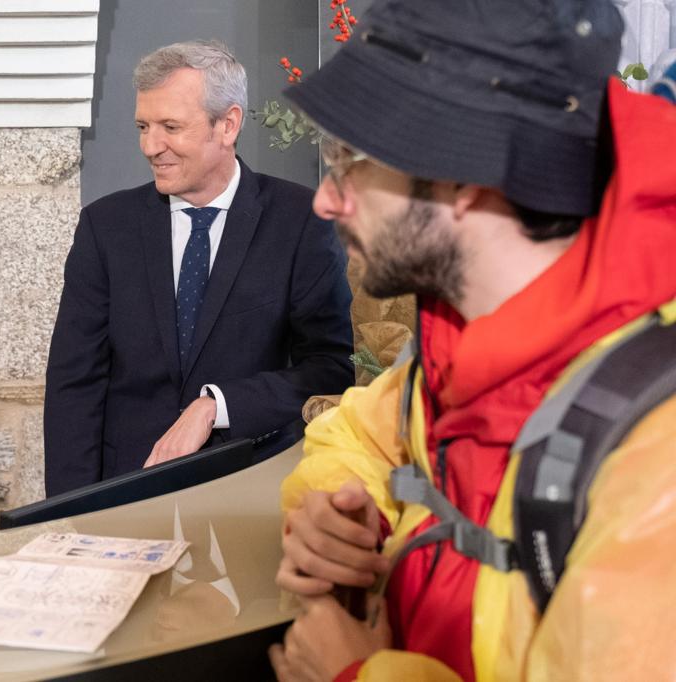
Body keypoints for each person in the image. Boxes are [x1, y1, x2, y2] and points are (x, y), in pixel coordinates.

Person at [267, 0, 676, 680]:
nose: (326, 199)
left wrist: (359, 674)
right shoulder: (455, 342)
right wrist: (333, 511)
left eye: (350, 160)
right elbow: (355, 436)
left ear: (461, 176)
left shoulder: (654, 453)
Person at [44, 40, 354, 496]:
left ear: (228, 124)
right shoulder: (104, 227)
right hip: (126, 495)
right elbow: (74, 385)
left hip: (249, 492)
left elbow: (332, 367)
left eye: (171, 126)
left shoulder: (302, 221)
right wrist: (71, 512)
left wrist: (216, 405)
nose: (152, 146)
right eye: (143, 126)